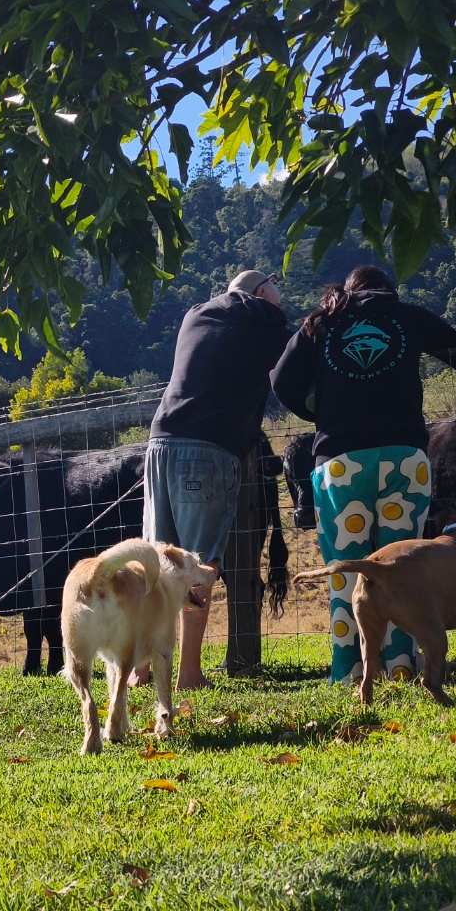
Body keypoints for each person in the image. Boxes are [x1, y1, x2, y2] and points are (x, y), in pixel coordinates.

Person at [271, 265, 456, 687]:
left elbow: (281, 381)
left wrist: (320, 412)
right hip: (404, 459)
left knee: (346, 568)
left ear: (348, 291)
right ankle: (402, 664)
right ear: (388, 291)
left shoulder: (323, 323)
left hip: (341, 463)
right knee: (402, 571)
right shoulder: (407, 316)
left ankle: (349, 671)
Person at [142, 269, 291, 689]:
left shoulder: (195, 314)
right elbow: (293, 363)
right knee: (199, 565)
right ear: (261, 290)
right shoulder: (262, 316)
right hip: (207, 450)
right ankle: (189, 674)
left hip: (159, 443)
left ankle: (142, 669)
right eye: (274, 284)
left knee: (157, 562)